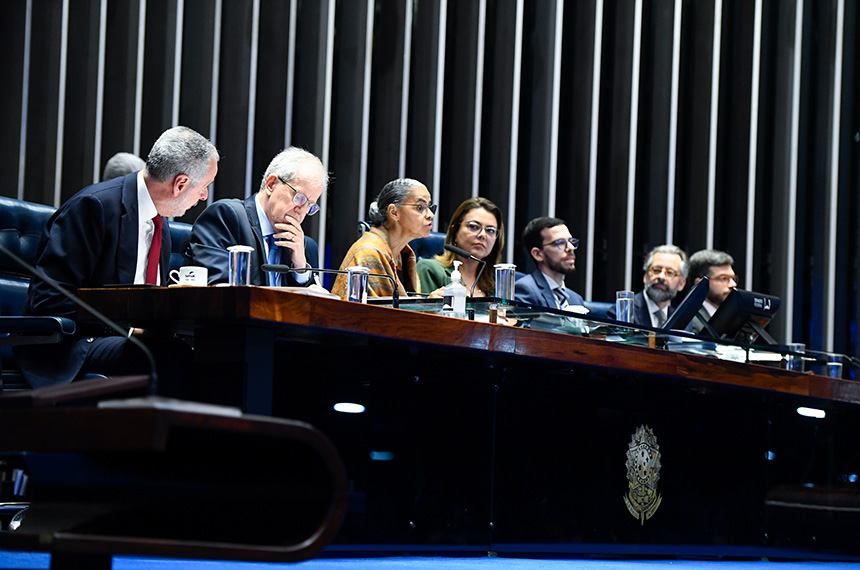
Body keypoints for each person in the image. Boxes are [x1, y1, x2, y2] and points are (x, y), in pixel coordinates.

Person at [18, 126, 219, 389]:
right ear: (180, 184)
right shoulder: (93, 206)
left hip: (126, 340)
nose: (204, 196)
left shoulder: (160, 223)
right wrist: (122, 315)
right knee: (169, 356)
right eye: (204, 187)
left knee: (210, 358)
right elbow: (49, 300)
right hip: (71, 346)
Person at [185, 147, 326, 286]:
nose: (301, 211)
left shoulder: (305, 248)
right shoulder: (226, 218)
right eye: (299, 198)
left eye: (309, 206)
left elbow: (311, 305)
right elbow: (219, 291)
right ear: (271, 185)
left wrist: (300, 269)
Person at [332, 178, 435, 298]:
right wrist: (428, 308)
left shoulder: (403, 256)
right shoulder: (369, 252)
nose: (430, 215)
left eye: (430, 207)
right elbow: (374, 314)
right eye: (420, 207)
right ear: (394, 212)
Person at [417, 197, 505, 297]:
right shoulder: (429, 270)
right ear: (455, 232)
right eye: (473, 226)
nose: (483, 235)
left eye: (490, 230)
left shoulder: (496, 285)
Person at [606, 244, 688, 327]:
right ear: (645, 276)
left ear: (681, 284)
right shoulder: (622, 313)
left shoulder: (682, 322)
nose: (661, 277)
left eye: (670, 272)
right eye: (656, 270)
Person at [515, 217, 586, 310]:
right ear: (537, 254)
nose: (571, 247)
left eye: (571, 241)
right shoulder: (526, 289)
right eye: (560, 242)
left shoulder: (576, 299)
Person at [687, 249, 738, 334]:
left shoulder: (736, 319)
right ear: (700, 283)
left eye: (733, 278)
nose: (733, 284)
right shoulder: (690, 322)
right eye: (724, 278)